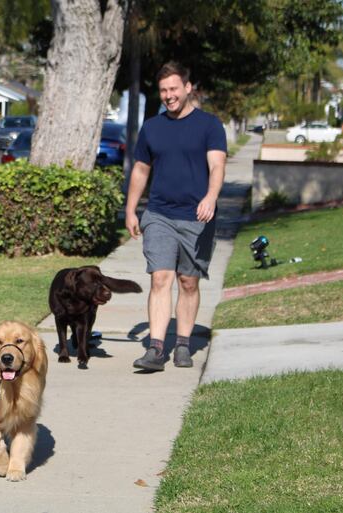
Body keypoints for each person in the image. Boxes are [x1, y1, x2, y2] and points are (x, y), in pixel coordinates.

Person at [124, 61, 226, 372]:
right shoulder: (153, 127)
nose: (169, 95)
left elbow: (217, 166)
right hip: (159, 213)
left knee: (189, 281)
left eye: (174, 89)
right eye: (164, 90)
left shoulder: (209, 125)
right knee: (160, 277)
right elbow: (141, 169)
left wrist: (210, 197)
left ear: (187, 87)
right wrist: (131, 209)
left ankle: (182, 344)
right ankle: (156, 348)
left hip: (197, 215)